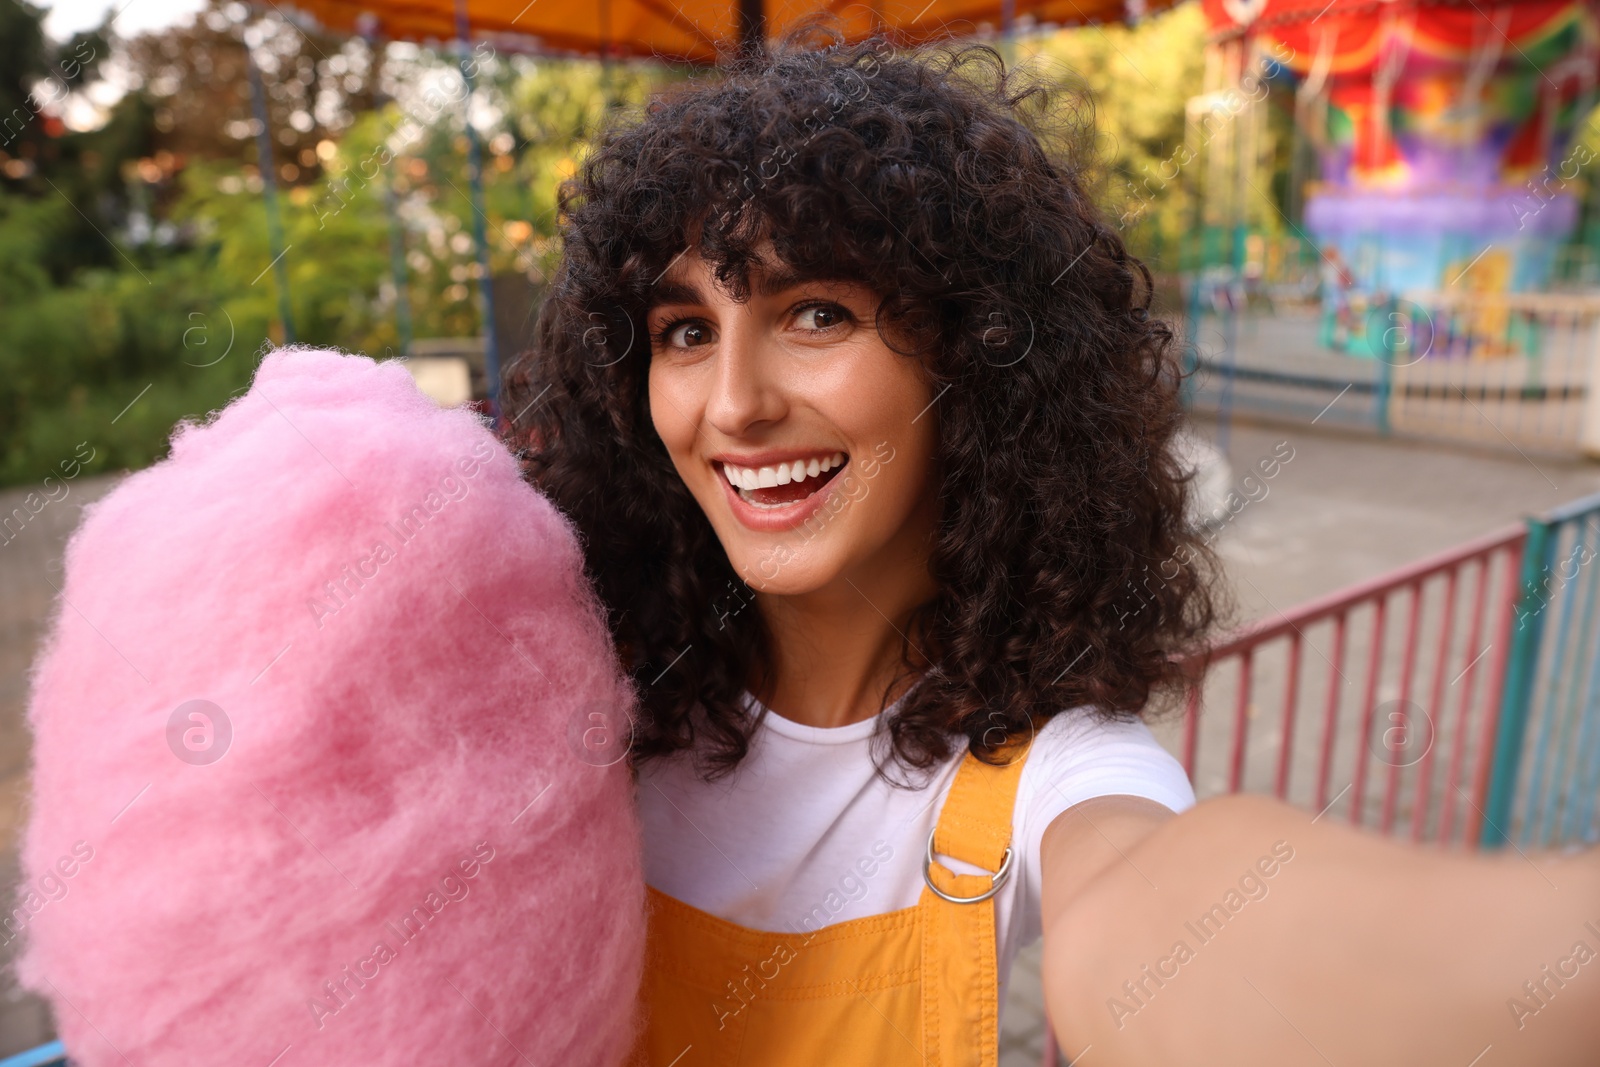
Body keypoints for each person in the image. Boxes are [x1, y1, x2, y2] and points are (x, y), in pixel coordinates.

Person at [504, 27, 1600, 1067]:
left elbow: (1173, 917)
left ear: (974, 354)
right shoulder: (572, 680)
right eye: (684, 330)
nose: (733, 405)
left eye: (815, 313)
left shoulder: (1054, 775)